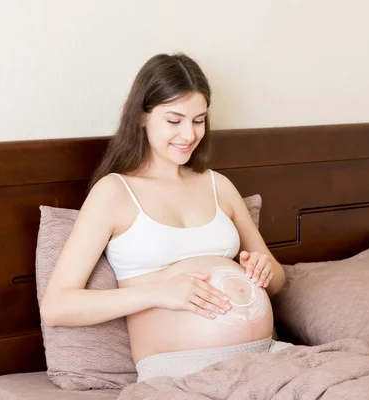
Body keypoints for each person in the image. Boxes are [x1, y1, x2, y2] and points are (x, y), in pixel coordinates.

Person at [40, 53, 290, 382]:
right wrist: (160, 292)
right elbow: (57, 306)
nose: (189, 134)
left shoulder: (219, 186)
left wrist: (261, 269)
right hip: (180, 375)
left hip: (267, 358)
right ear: (142, 117)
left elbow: (277, 279)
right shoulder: (114, 193)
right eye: (174, 120)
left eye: (198, 120)